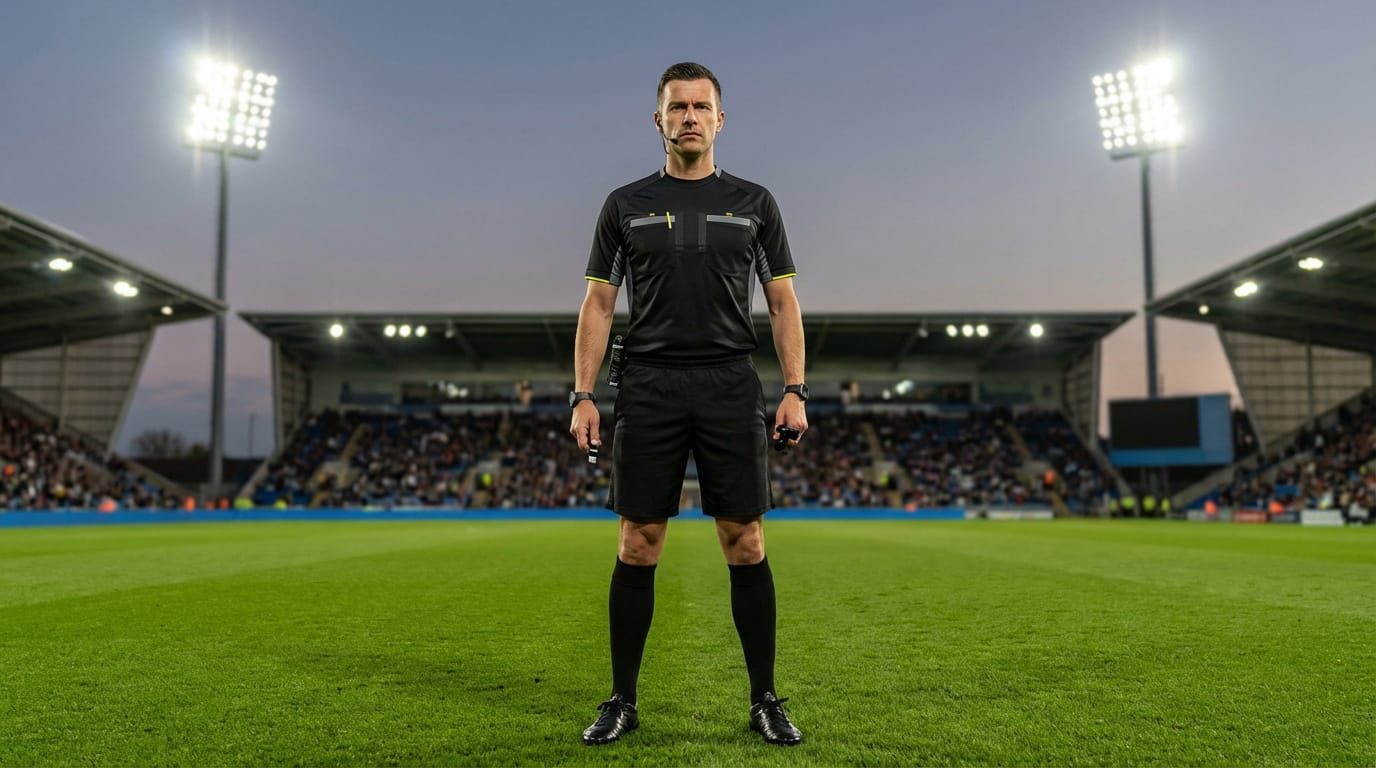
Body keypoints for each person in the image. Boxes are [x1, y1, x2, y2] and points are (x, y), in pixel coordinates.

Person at [568, 61, 807, 747]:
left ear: (721, 120)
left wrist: (795, 389)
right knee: (637, 542)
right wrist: (583, 395)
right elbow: (599, 303)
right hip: (649, 384)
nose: (690, 118)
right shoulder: (625, 204)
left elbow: (783, 301)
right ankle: (622, 700)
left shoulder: (755, 202)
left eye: (702, 107)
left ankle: (764, 699)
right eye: (678, 108)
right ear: (659, 120)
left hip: (730, 381)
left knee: (746, 541)